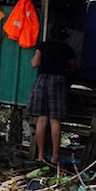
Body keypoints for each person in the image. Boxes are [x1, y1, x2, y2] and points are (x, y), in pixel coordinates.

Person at [27, 26, 76, 170]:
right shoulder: (67, 49)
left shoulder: (43, 46)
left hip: (42, 81)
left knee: (42, 119)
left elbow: (35, 63)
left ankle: (41, 155)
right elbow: (73, 68)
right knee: (55, 120)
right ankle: (55, 157)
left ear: (50, 35)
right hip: (58, 81)